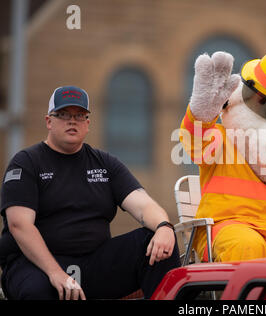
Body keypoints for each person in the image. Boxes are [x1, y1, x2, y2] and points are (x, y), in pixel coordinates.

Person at [0, 85, 180, 300]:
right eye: (64, 114)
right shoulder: (26, 163)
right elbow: (19, 225)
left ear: (87, 123)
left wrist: (164, 227)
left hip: (93, 264)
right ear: (49, 121)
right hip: (35, 266)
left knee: (157, 243)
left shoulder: (105, 163)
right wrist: (56, 273)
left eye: (79, 115)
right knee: (39, 292)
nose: (72, 121)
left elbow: (143, 205)